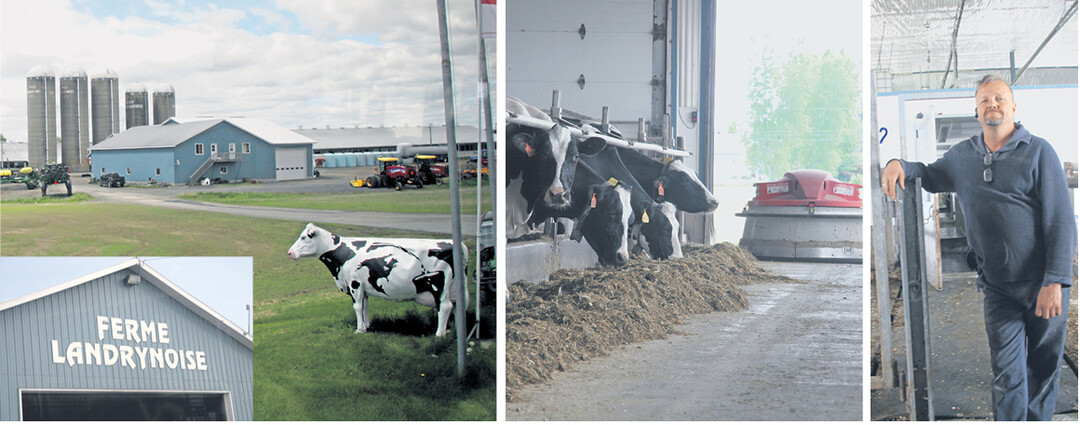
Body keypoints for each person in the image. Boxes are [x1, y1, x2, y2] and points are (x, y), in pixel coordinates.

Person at [881, 74, 1076, 421]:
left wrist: (1056, 280)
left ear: (1013, 106)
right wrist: (898, 164)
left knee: (1044, 369)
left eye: (1000, 98)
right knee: (1007, 373)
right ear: (977, 111)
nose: (993, 105)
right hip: (997, 287)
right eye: (985, 100)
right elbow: (928, 174)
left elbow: (1061, 220)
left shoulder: (1040, 152)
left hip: (1041, 285)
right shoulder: (963, 156)